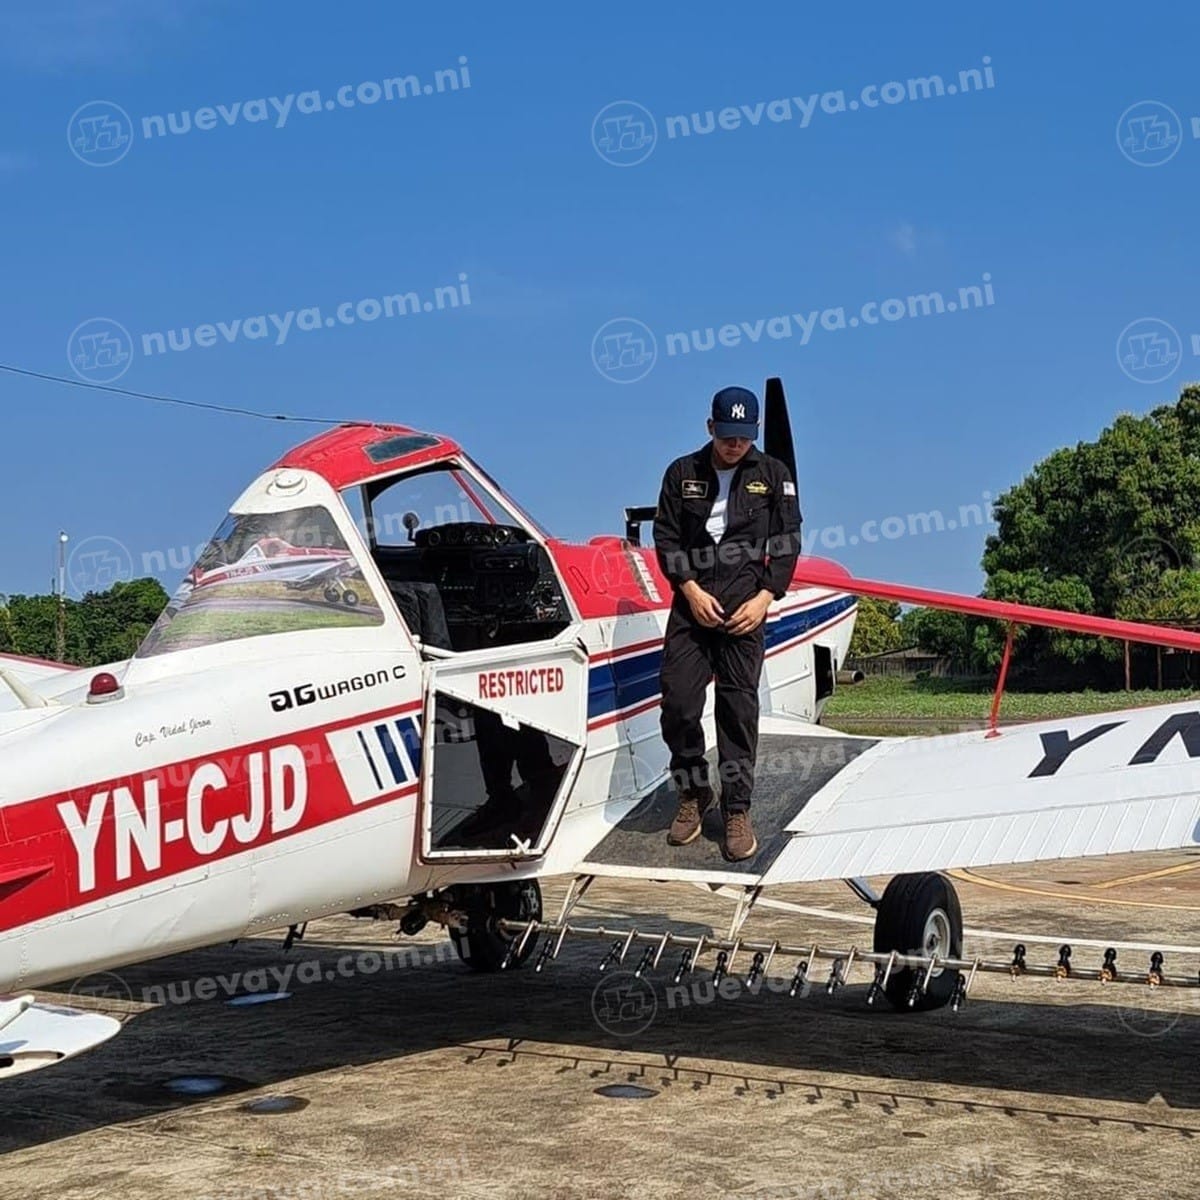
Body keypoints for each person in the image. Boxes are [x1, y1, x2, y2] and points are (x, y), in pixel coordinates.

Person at [652, 385, 801, 861]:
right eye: (727, 435)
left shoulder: (773, 475)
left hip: (744, 608)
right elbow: (666, 536)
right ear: (710, 427)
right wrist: (689, 589)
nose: (735, 445)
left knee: (737, 714)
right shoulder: (682, 473)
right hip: (693, 608)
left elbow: (787, 540)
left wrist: (766, 596)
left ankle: (737, 809)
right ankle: (694, 792)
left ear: (753, 433)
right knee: (678, 704)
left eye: (744, 436)